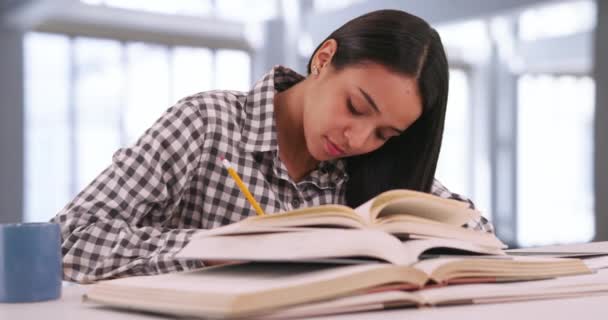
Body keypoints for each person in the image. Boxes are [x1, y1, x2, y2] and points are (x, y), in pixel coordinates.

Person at [52, 9, 493, 284]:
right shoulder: (208, 124)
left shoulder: (375, 170)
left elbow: (476, 232)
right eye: (356, 107)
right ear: (323, 60)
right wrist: (222, 250)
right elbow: (68, 240)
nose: (358, 140)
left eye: (384, 134)